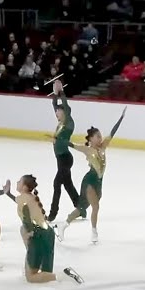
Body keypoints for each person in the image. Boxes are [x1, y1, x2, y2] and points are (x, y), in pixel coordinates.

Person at [55, 108, 126, 244]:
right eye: (97, 136)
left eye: (100, 136)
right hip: (89, 181)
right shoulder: (87, 149)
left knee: (81, 209)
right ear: (91, 138)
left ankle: (63, 225)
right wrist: (58, 139)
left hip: (99, 181)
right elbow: (70, 144)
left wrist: (121, 118)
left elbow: (113, 132)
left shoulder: (103, 146)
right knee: (96, 206)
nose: (100, 138)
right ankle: (94, 232)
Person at [5, 174, 83, 284]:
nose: (17, 182)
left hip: (38, 235)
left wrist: (29, 232)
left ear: (24, 187)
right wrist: (8, 193)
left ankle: (63, 276)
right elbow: (19, 201)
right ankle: (35, 266)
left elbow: (26, 217)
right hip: (47, 233)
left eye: (19, 181)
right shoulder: (30, 196)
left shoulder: (24, 199)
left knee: (31, 278)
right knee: (23, 230)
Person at [47, 80, 82, 222]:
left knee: (57, 184)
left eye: (58, 111)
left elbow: (65, 105)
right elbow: (55, 104)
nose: (56, 112)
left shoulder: (68, 122)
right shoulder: (61, 123)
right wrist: (55, 94)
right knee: (67, 184)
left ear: (65, 112)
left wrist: (61, 92)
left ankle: (52, 213)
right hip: (60, 158)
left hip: (65, 158)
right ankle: (80, 207)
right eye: (56, 111)